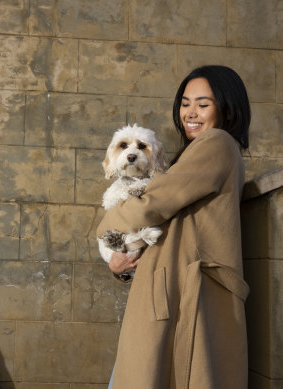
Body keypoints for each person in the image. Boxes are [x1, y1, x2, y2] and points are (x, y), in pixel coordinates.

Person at [99, 65, 251, 388]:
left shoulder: (218, 143)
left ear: (226, 107)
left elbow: (155, 203)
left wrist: (106, 226)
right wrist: (122, 266)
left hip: (181, 295)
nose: (190, 112)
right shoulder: (198, 151)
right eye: (185, 103)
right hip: (167, 290)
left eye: (203, 104)